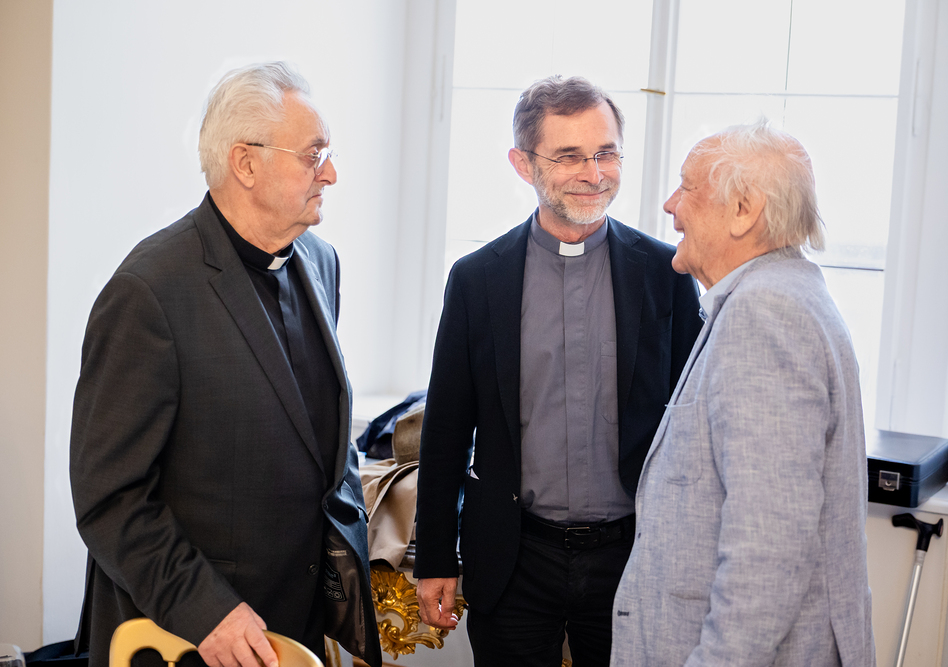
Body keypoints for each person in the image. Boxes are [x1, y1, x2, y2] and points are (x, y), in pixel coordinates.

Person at [69, 62, 373, 667]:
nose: (331, 173)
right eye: (313, 155)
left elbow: (315, 438)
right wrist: (205, 609)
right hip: (191, 629)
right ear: (245, 163)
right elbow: (110, 496)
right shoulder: (148, 291)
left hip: (297, 619)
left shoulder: (322, 260)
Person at [413, 75, 703, 666]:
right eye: (569, 156)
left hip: (633, 556)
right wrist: (436, 558)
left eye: (606, 153)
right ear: (523, 164)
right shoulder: (477, 280)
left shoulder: (665, 272)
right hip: (515, 557)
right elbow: (446, 432)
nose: (594, 174)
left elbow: (694, 426)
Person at [611, 120, 875, 666]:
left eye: (687, 187)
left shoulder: (765, 313)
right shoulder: (785, 293)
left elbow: (768, 548)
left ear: (743, 210)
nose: (670, 206)